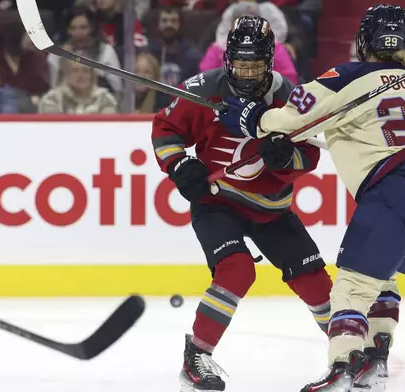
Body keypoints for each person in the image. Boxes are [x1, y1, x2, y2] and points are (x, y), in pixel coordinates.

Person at [218, 5, 405, 391]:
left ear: (364, 41)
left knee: (350, 287)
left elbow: (293, 116)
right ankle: (378, 355)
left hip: (395, 195)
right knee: (381, 274)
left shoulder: (349, 75)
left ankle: (341, 367)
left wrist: (253, 119)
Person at [150, 16, 333, 391]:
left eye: (256, 65)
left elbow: (309, 159)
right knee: (236, 271)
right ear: (227, 59)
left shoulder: (290, 100)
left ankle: (346, 349)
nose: (247, 73)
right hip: (217, 203)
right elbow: (165, 130)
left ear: (270, 61)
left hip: (272, 209)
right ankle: (196, 355)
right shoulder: (203, 89)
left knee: (315, 281)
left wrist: (284, 158)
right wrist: (180, 164)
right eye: (240, 64)